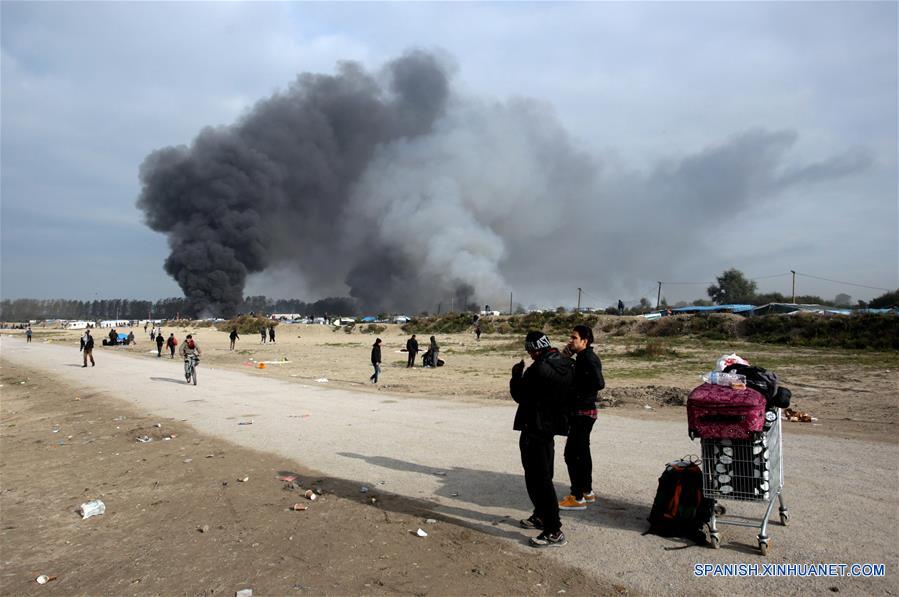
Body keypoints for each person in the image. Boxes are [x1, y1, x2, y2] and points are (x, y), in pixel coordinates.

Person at [510, 331, 574, 548]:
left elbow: (520, 396)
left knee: (539, 479)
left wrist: (516, 376)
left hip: (534, 428)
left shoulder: (537, 369)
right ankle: (541, 516)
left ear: (533, 349)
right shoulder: (566, 364)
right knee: (544, 475)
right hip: (550, 428)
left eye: (529, 350)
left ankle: (553, 530)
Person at [558, 325, 605, 511]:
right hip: (584, 412)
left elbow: (599, 382)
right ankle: (587, 491)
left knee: (572, 454)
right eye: (570, 337)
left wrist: (579, 394)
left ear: (584, 341)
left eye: (574, 338)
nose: (570, 340)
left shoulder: (587, 358)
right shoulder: (583, 357)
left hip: (582, 413)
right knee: (582, 452)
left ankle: (576, 497)